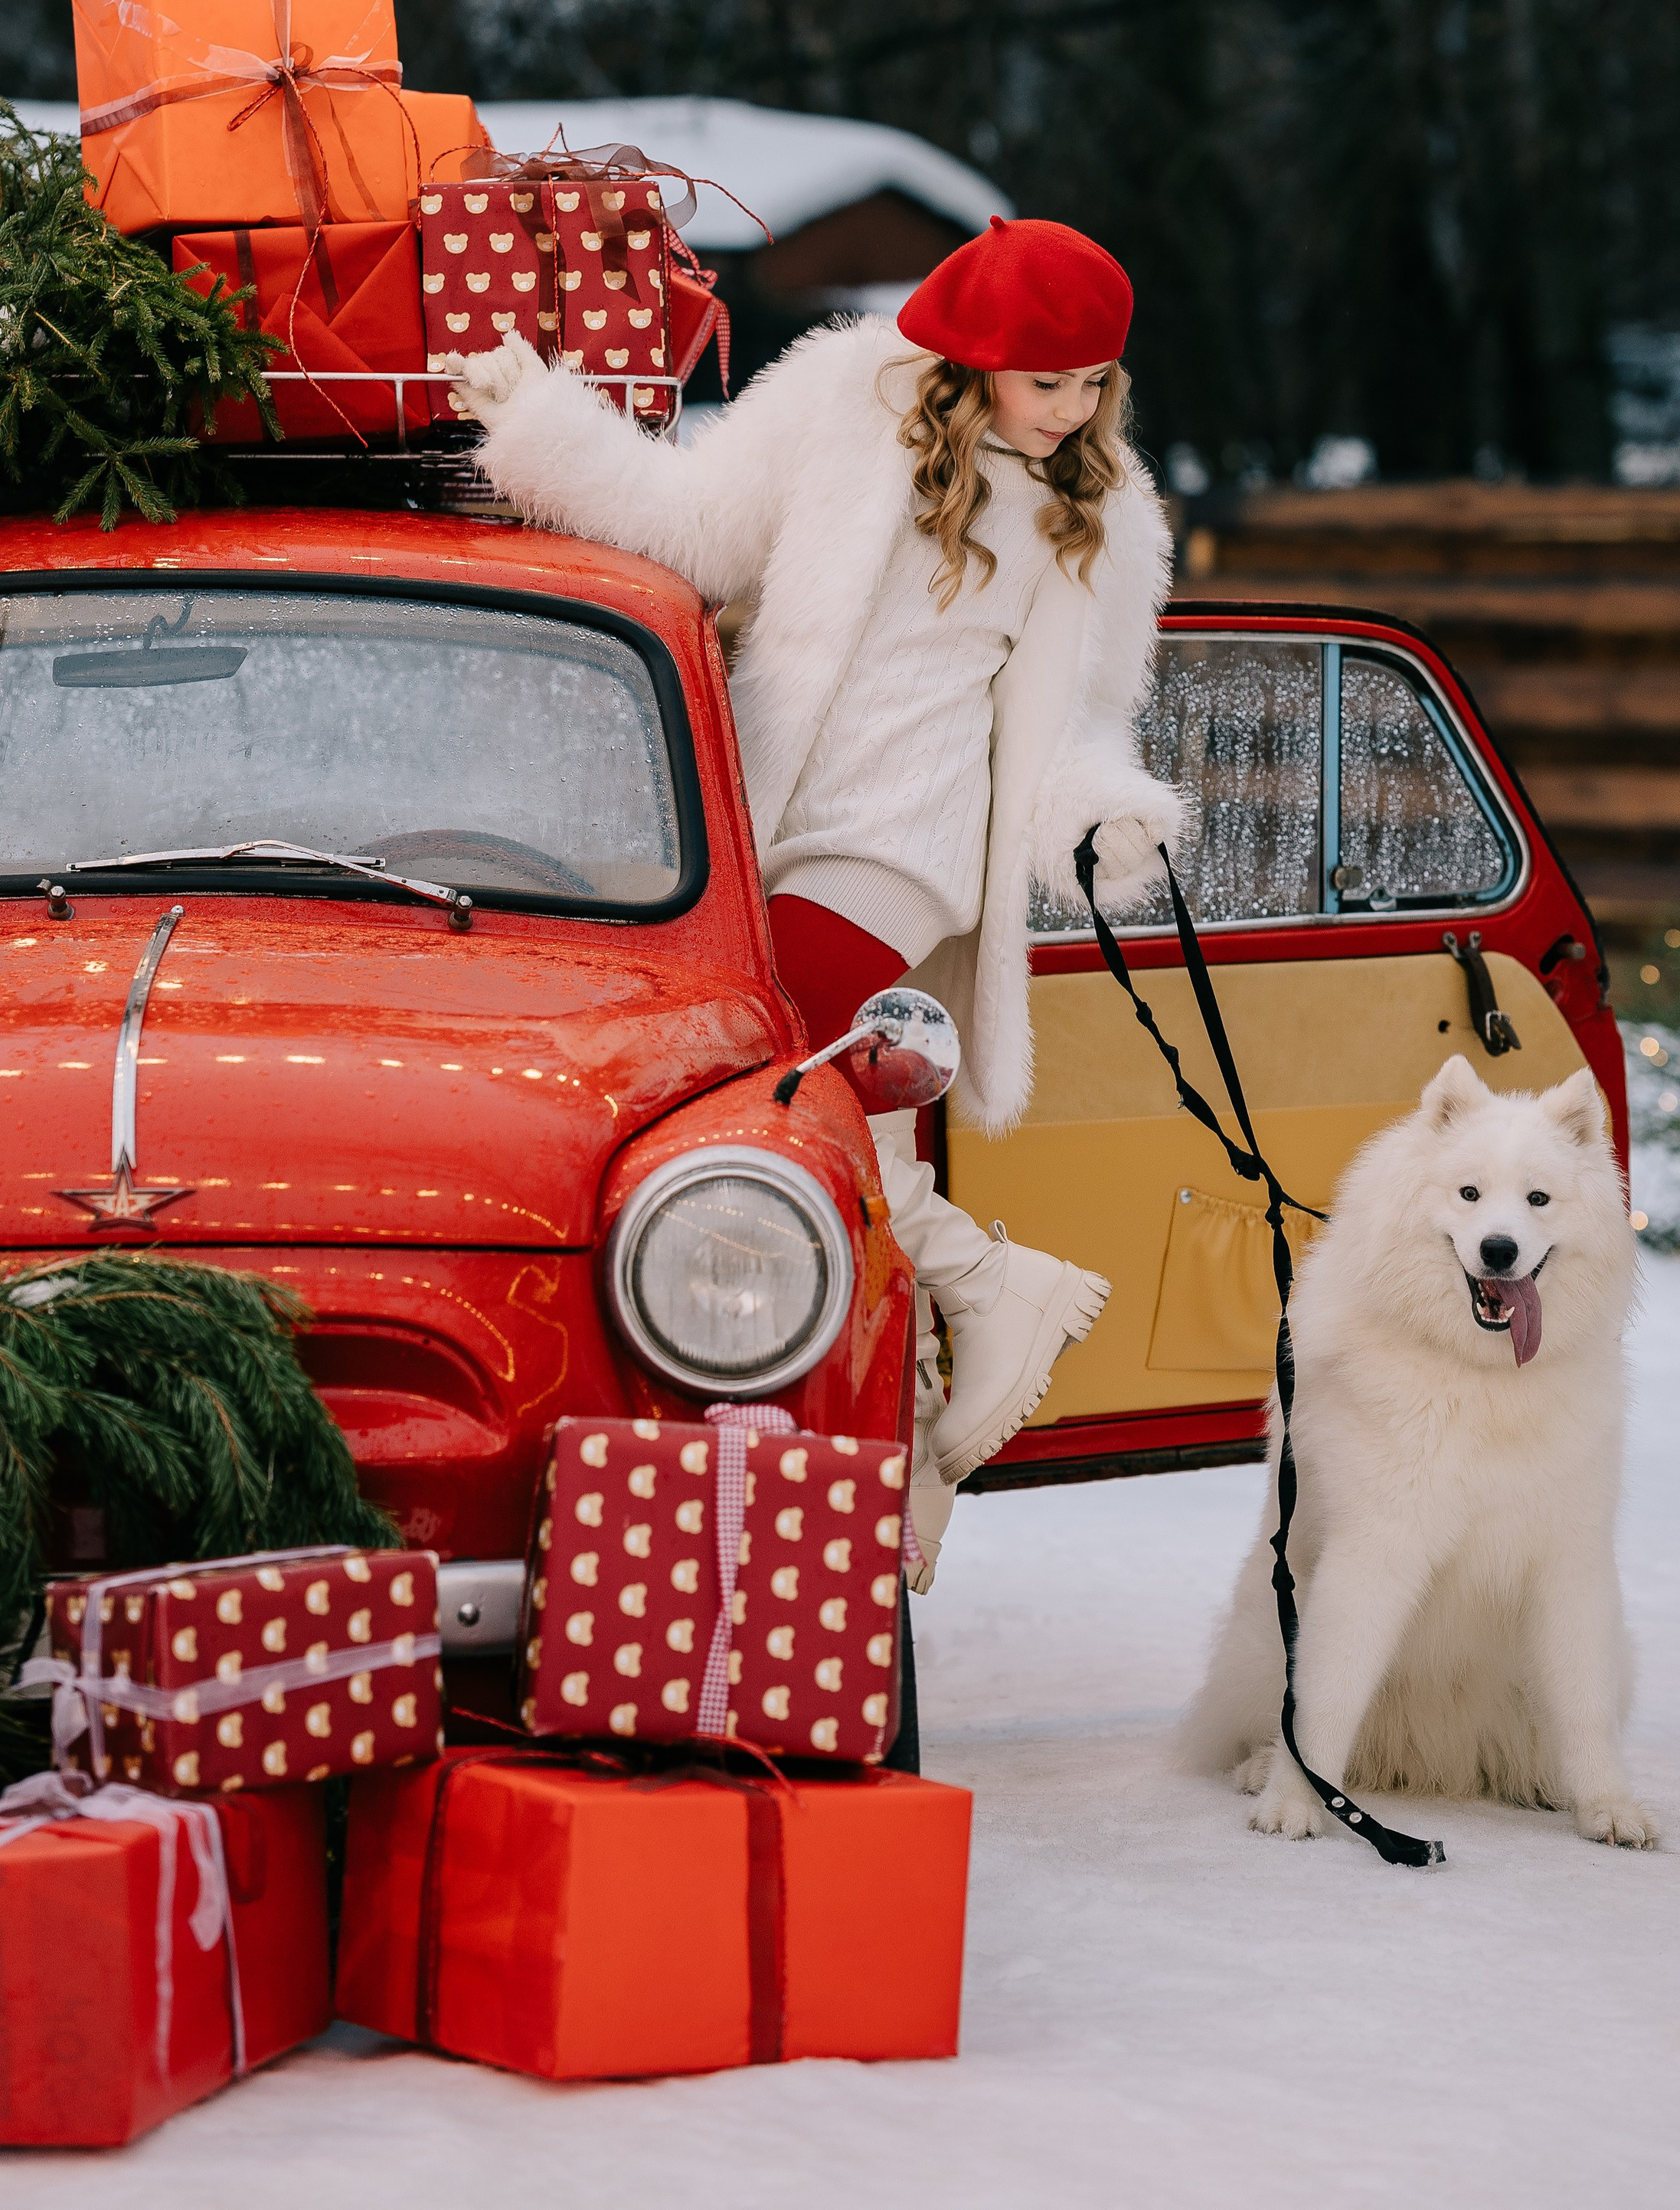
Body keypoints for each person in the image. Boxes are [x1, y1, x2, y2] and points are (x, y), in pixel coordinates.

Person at [452, 212, 1182, 1575]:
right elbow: (687, 529)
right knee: (834, 1151)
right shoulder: (838, 407)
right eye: (1049, 383)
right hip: (765, 824)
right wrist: (545, 425)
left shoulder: (1103, 518)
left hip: (903, 846)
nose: (1075, 413)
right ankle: (892, 1471)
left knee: (768, 1094)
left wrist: (1108, 817)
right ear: (972, 364)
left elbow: (1085, 723)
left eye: (1095, 384)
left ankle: (988, 1282)